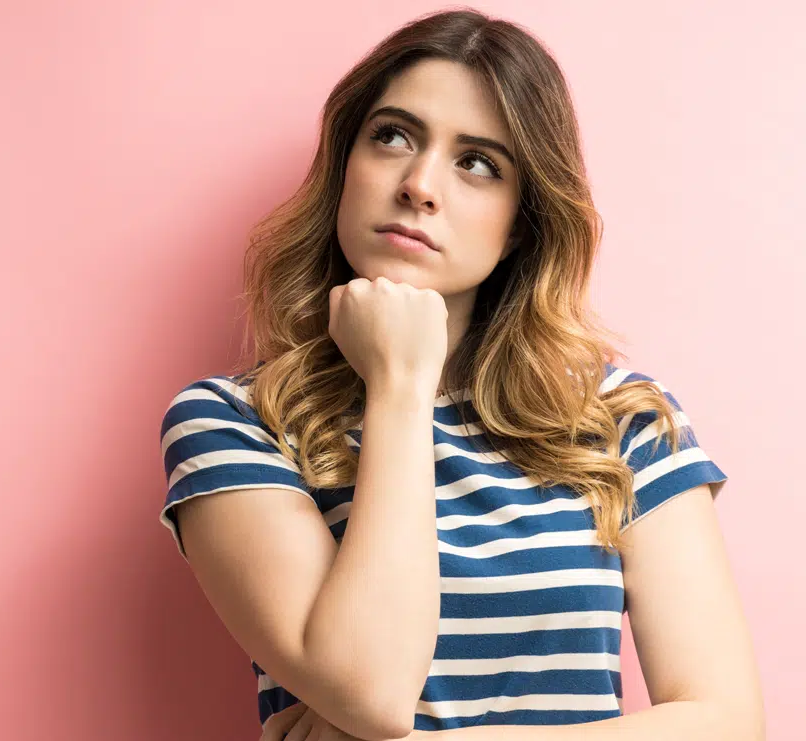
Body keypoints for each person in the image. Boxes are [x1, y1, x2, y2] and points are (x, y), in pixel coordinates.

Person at [156, 8, 763, 740]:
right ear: (345, 166)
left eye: (477, 162)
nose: (418, 184)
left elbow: (725, 723)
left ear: (519, 226)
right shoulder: (233, 421)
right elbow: (373, 690)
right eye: (392, 136)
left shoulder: (622, 419)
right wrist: (400, 388)